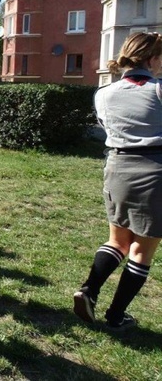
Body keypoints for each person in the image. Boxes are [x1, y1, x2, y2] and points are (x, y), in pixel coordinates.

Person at [73, 32, 162, 331]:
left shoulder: (104, 93)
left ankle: (88, 290)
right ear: (152, 59)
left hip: (117, 167)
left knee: (118, 240)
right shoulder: (158, 89)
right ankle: (115, 316)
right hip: (155, 169)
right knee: (141, 250)